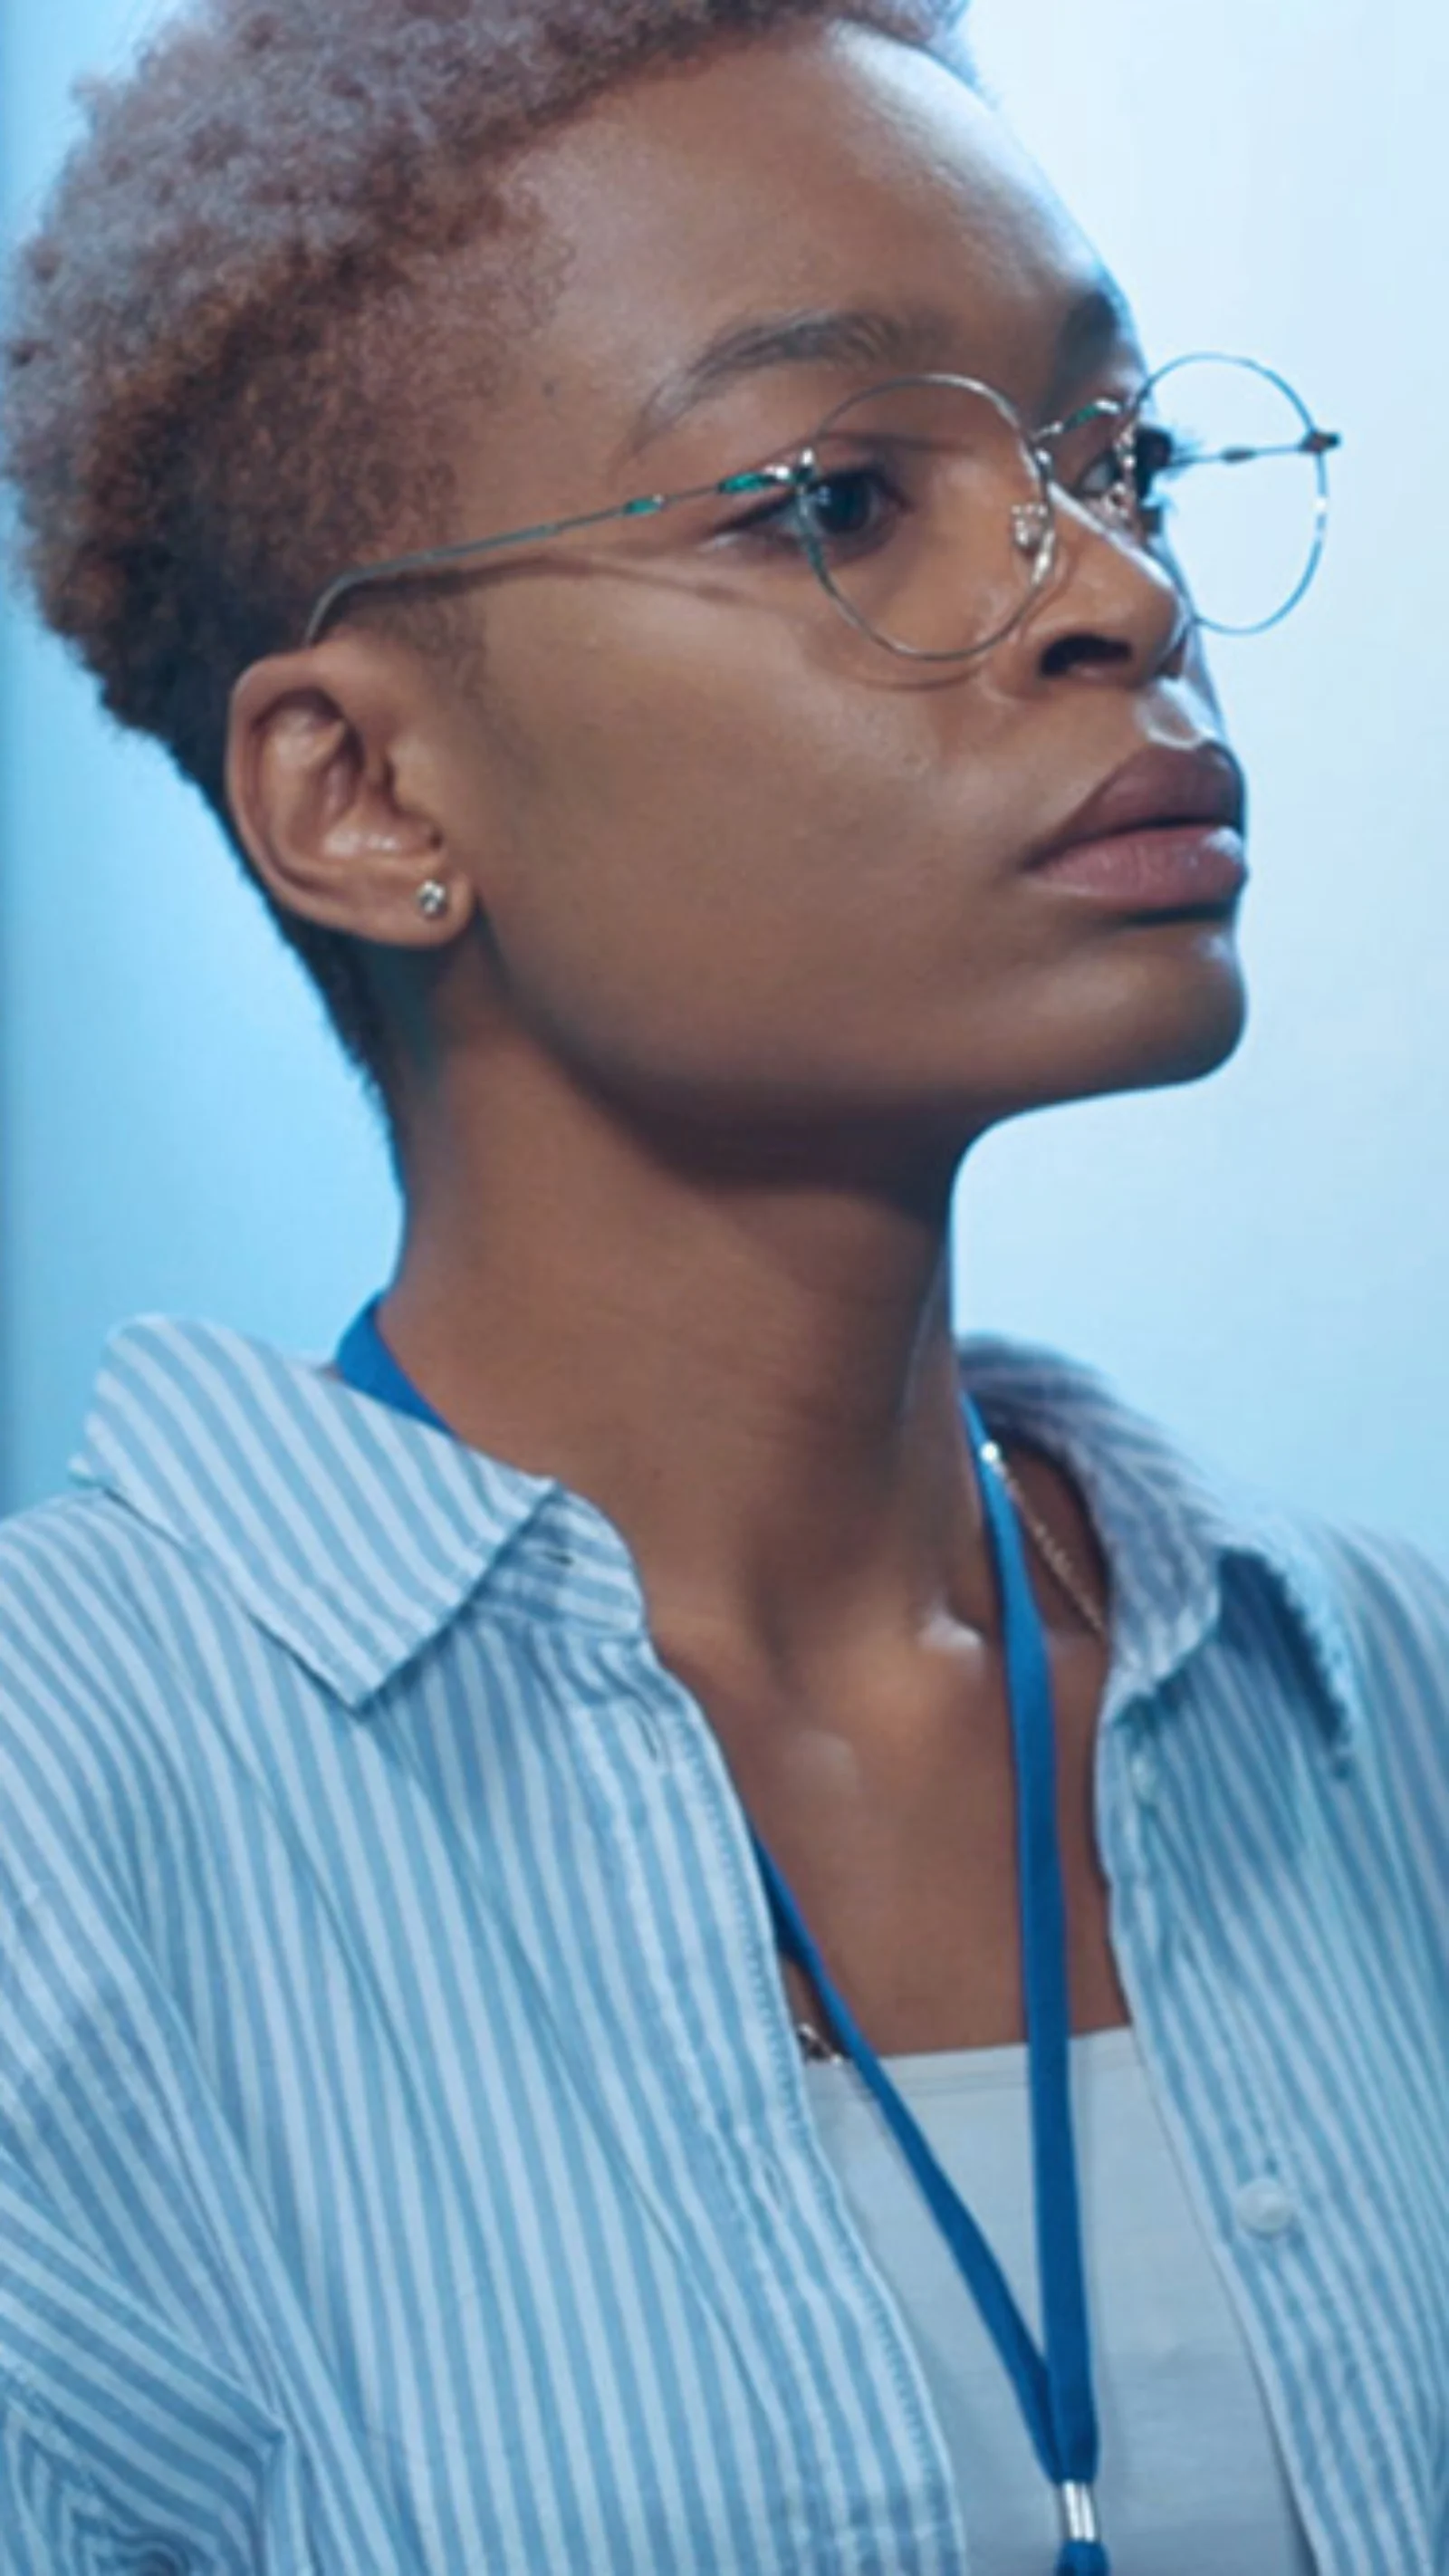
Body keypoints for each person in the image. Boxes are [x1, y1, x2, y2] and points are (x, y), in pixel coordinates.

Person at [1, 2, 1445, 2570]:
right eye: (841, 499)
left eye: (1116, 463)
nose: (1117, 595)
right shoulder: (67, 1834)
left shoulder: (1381, 1707)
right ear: (365, 792)